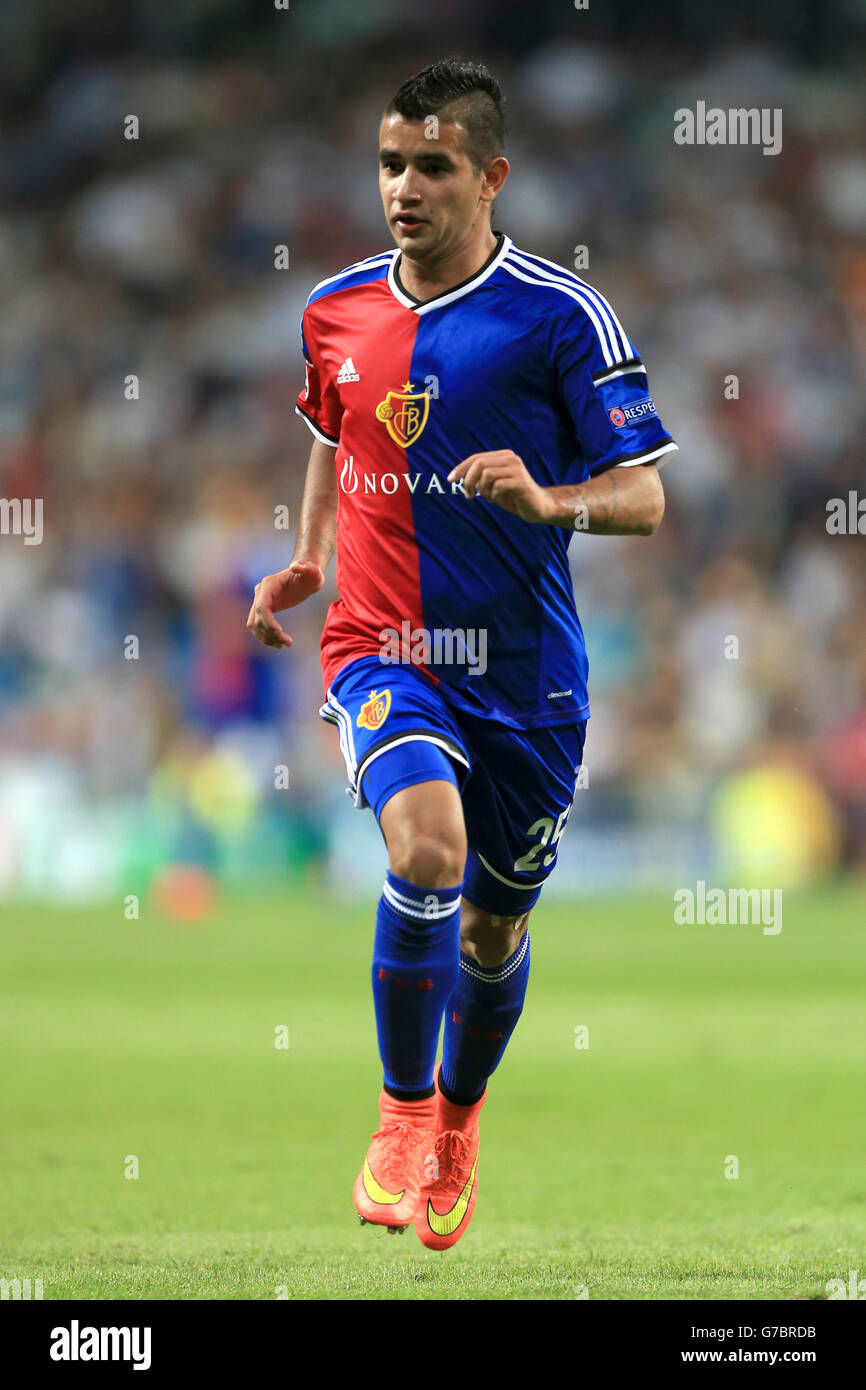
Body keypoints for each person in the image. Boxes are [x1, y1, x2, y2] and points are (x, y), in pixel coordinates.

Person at [247, 57, 676, 1249]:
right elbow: (335, 435)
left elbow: (642, 500)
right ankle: (395, 1110)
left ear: (489, 177)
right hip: (381, 647)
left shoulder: (557, 315)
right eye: (390, 164)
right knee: (423, 846)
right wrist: (309, 554)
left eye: (431, 166)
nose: (403, 187)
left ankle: (456, 1116)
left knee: (492, 931)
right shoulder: (331, 310)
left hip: (526, 677)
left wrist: (550, 501)